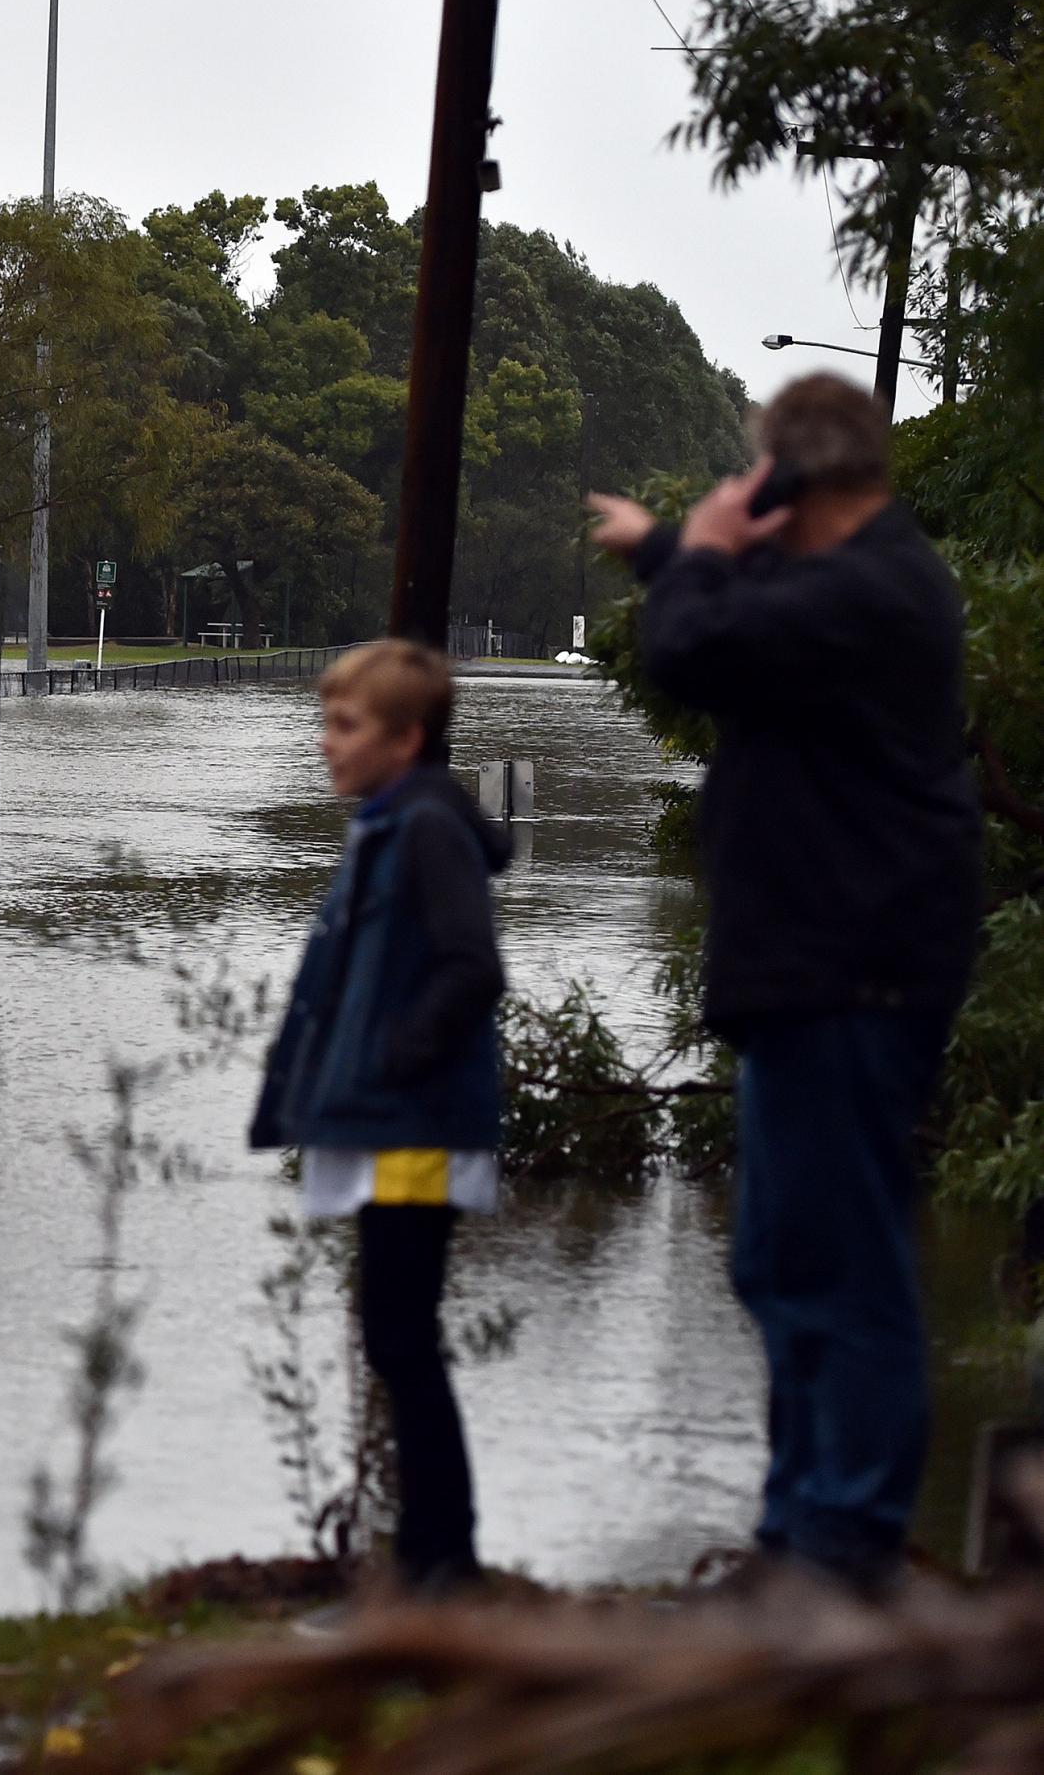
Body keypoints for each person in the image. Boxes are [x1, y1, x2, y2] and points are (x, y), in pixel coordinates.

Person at [588, 372, 984, 1597]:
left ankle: (845, 1545)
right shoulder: (852, 583)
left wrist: (696, 548)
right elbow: (747, 622)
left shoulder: (872, 590)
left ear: (785, 483)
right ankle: (795, 1530)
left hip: (850, 971)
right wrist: (672, 549)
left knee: (840, 1262)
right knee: (776, 1255)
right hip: (815, 968)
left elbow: (698, 651)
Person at [251, 639, 511, 1592]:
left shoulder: (427, 829)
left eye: (345, 726)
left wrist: (396, 1059)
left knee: (401, 1334)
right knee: (394, 1333)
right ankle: (431, 1561)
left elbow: (471, 965)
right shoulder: (391, 820)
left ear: (406, 739)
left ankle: (444, 1567)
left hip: (417, 1123)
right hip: (391, 1120)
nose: (327, 744)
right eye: (326, 722)